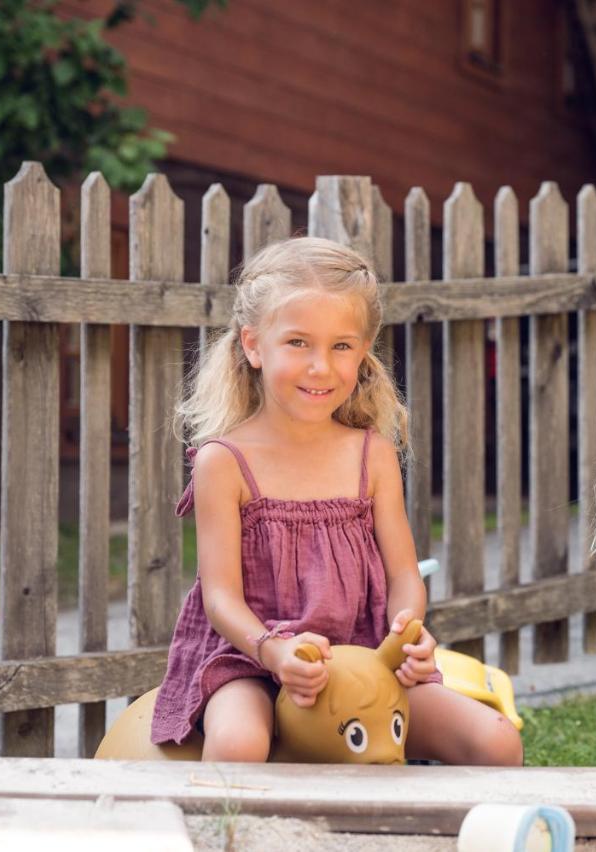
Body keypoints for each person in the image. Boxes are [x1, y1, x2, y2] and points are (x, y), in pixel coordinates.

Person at [151, 237, 522, 766]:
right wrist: (273, 652)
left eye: (341, 346)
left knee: (496, 741)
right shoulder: (223, 462)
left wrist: (407, 631)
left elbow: (403, 576)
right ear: (254, 345)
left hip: (367, 659)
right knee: (238, 745)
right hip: (251, 660)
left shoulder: (371, 455)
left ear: (364, 350)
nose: (321, 367)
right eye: (298, 343)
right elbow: (221, 600)